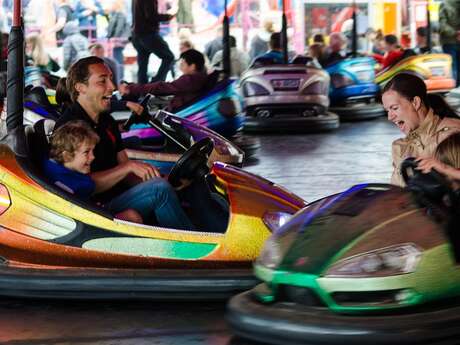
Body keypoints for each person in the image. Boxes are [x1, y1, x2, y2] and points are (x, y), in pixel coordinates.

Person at [55, 56, 194, 230]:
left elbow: (126, 171)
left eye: (110, 79)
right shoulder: (70, 126)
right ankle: (199, 251)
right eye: (102, 81)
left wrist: (164, 180)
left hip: (118, 195)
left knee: (185, 186)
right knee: (159, 191)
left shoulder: (107, 121)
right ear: (80, 88)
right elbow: (78, 185)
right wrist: (130, 170)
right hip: (93, 210)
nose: (112, 87)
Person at [45, 120, 142, 224]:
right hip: (87, 224)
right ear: (66, 155)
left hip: (92, 211)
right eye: (86, 152)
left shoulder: (67, 170)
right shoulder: (61, 184)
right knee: (133, 216)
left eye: (92, 151)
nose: (93, 157)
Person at [381, 73, 460, 187]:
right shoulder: (400, 147)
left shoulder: (452, 134)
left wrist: (444, 169)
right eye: (387, 110)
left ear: (415, 102)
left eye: (394, 108)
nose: (390, 117)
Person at [119, 49, 208, 112]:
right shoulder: (199, 78)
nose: (180, 66)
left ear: (192, 66)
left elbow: (162, 87)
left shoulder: (190, 80)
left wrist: (132, 88)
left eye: (183, 63)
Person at [131, 0, 175, 84]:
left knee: (142, 66)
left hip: (136, 35)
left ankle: (142, 91)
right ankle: (156, 85)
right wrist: (168, 17)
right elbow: (151, 16)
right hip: (148, 34)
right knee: (169, 57)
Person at [106, 0, 130, 81]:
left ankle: (120, 78)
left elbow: (119, 28)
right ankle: (119, 78)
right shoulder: (115, 14)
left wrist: (113, 38)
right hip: (116, 41)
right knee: (117, 58)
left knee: (118, 59)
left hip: (118, 41)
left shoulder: (120, 14)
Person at [439, 0, 460, 86]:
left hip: (449, 41)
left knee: (452, 67)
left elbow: (442, 25)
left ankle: (453, 88)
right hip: (450, 43)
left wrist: (456, 33)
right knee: (454, 67)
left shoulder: (444, 4)